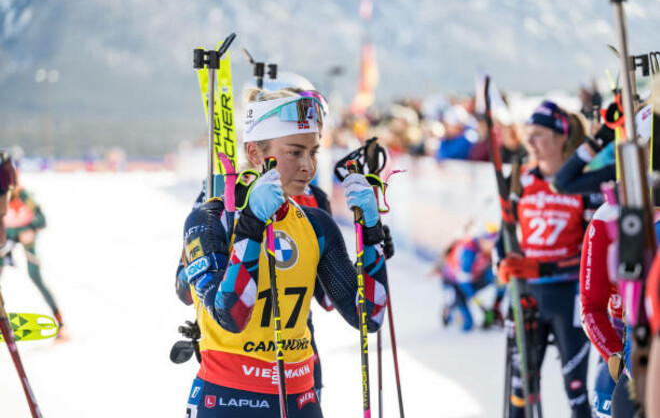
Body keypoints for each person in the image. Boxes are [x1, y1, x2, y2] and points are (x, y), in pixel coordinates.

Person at [178, 88, 389, 417]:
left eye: (314, 152)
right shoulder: (211, 220)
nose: (308, 167)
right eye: (295, 152)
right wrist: (251, 224)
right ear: (255, 151)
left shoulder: (316, 224)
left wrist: (373, 231)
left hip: (299, 397)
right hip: (229, 398)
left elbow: (369, 317)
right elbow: (231, 316)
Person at [497, 100, 597, 417]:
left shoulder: (583, 184)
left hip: (569, 298)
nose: (531, 142)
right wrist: (503, 262)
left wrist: (545, 266)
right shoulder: (521, 181)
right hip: (527, 296)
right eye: (529, 134)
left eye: (539, 134)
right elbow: (505, 238)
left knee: (577, 391)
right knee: (521, 392)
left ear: (560, 137)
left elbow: (593, 253)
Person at [0, 163, 67, 339]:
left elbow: (42, 219)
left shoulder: (23, 195)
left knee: (34, 275)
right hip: (6, 237)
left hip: (26, 236)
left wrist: (30, 229)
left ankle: (60, 323)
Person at [434, 225, 504, 331]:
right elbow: (464, 283)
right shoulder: (469, 251)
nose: (493, 246)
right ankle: (450, 309)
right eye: (491, 242)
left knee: (501, 275)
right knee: (467, 324)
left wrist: (493, 308)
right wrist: (483, 309)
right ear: (482, 240)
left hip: (472, 279)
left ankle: (496, 308)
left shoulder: (489, 250)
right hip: (455, 284)